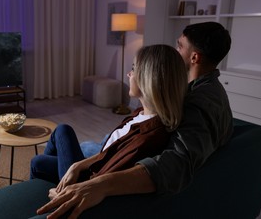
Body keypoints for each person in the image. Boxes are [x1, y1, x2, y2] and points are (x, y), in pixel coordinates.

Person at [35, 21, 233, 218]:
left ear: (194, 57)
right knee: (52, 154)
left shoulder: (197, 102)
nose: (175, 50)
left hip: (113, 158)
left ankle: (51, 197)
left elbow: (175, 163)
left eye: (180, 46)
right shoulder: (202, 90)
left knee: (66, 140)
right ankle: (49, 188)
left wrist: (98, 185)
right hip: (114, 148)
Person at [32, 44, 188, 216]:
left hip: (88, 183)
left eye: (133, 69)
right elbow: (108, 153)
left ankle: (52, 204)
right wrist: (77, 165)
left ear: (148, 78)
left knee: (55, 139)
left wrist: (68, 193)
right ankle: (45, 198)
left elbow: (102, 181)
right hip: (93, 168)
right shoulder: (140, 114)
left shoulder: (148, 137)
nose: (128, 74)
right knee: (41, 157)